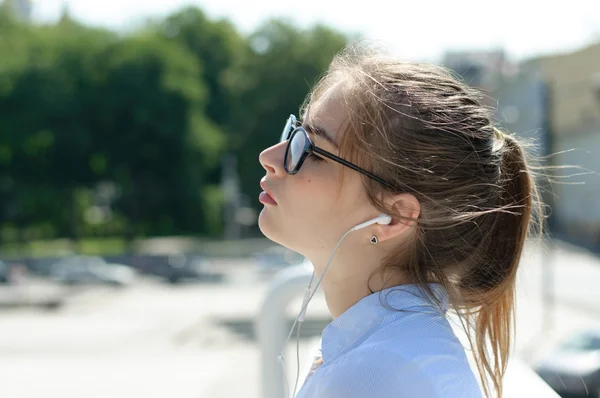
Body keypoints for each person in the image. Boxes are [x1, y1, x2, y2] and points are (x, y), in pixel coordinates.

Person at [257, 44, 542, 398]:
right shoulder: (395, 352)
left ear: (394, 217)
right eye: (294, 131)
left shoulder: (373, 373)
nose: (270, 157)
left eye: (311, 150)